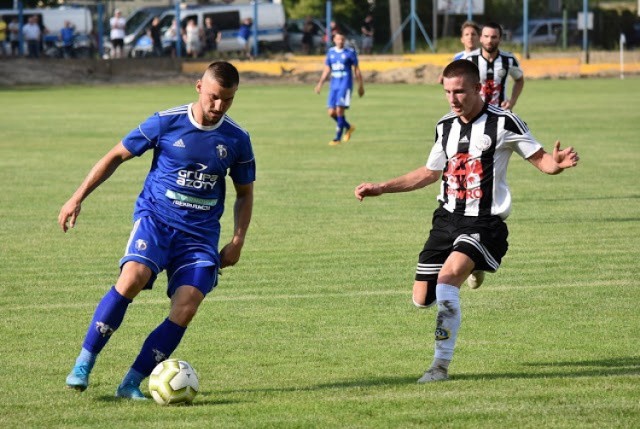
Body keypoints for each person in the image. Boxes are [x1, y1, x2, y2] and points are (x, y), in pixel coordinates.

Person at [354, 59, 579, 383]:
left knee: (447, 282)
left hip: (484, 223)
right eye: (447, 91)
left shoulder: (505, 123)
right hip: (446, 219)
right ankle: (471, 269)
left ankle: (439, 367)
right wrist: (381, 188)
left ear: (478, 88)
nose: (453, 98)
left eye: (459, 91)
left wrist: (556, 164)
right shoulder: (445, 126)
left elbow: (542, 160)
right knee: (421, 299)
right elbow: (430, 172)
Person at [60, 61, 256, 400]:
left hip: (200, 236)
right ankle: (84, 363)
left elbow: (244, 193)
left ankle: (131, 383)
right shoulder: (167, 121)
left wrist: (238, 239)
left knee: (187, 304)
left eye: (227, 99)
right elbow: (116, 156)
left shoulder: (237, 139)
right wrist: (77, 197)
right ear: (198, 87)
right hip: (157, 221)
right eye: (213, 97)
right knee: (132, 277)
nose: (218, 106)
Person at [314, 32, 365, 146]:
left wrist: (360, 85)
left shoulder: (350, 53)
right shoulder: (331, 52)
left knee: (339, 110)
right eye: (338, 39)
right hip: (334, 85)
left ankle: (337, 139)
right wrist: (320, 84)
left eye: (342, 39)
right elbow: (327, 69)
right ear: (334, 40)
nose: (340, 41)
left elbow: (356, 70)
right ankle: (348, 127)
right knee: (331, 112)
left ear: (344, 40)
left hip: (345, 84)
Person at [465, 22, 524, 110]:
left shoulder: (508, 59)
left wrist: (512, 101)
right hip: (476, 112)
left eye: (494, 37)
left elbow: (519, 80)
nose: (489, 40)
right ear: (480, 38)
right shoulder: (470, 59)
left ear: (500, 39)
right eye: (486, 36)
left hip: (501, 112)